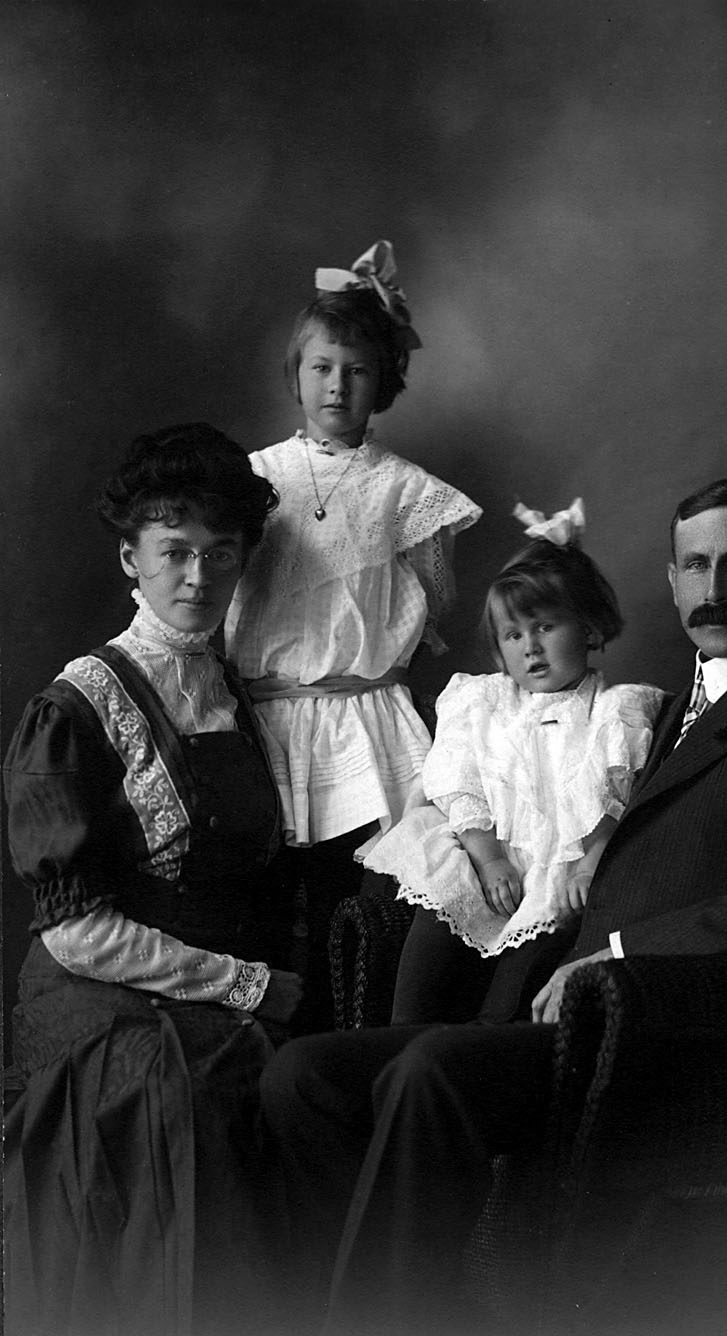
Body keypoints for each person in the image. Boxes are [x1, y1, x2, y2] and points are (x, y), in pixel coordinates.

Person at [259, 476, 727, 1335]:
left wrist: (629, 952)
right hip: (578, 1016)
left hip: (678, 1038)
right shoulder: (672, 708)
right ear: (670, 581)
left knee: (430, 1070)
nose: (713, 589)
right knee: (304, 1075)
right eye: (696, 566)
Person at [3, 424, 304, 1336]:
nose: (199, 578)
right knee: (174, 1085)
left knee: (277, 1079)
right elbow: (74, 930)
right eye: (175, 552)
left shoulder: (239, 692)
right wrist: (246, 983)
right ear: (131, 558)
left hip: (205, 982)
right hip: (93, 987)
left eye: (221, 554)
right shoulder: (75, 705)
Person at [224, 240, 481, 1029]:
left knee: (351, 905)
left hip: (361, 725)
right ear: (297, 374)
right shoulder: (253, 476)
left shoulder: (405, 493)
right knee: (261, 906)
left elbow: (434, 605)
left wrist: (364, 652)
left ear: (384, 382)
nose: (338, 385)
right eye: (322, 367)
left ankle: (335, 1056)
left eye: (358, 370)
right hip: (264, 721)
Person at [364, 499, 664, 1024]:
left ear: (590, 629)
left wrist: (591, 858)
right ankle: (399, 1042)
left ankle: (474, 1053)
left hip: (556, 871)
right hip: (482, 855)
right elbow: (459, 781)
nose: (530, 648)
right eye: (513, 635)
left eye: (545, 627)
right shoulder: (483, 702)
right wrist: (488, 857)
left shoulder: (615, 711)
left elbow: (613, 797)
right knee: (437, 922)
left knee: (513, 994)